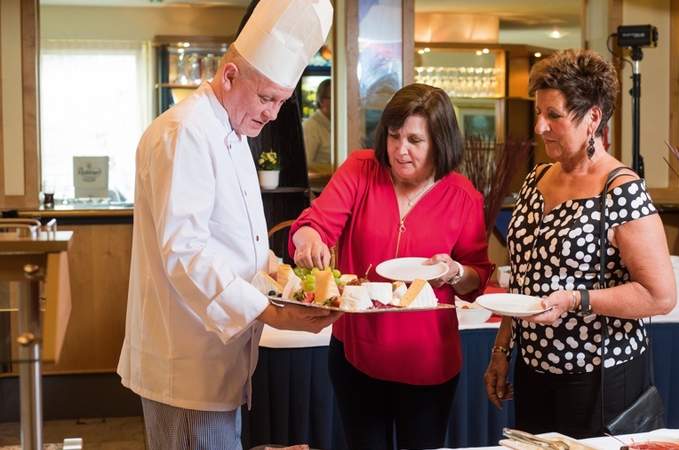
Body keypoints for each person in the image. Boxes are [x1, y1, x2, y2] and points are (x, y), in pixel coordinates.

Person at [117, 1, 340, 449]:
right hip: (186, 369)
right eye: (266, 98)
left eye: (282, 101)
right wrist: (272, 311)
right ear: (230, 75)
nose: (273, 113)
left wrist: (280, 271)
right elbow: (185, 252)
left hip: (219, 364)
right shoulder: (185, 131)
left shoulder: (234, 132)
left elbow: (236, 240)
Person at [483, 49, 676, 438]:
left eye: (553, 115)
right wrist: (502, 350)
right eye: (540, 113)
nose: (540, 126)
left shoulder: (621, 189)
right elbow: (523, 280)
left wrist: (576, 299)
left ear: (592, 118)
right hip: (533, 370)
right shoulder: (536, 178)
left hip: (599, 379)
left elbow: (660, 295)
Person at [289, 83, 494, 450]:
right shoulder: (360, 169)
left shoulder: (464, 197)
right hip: (356, 355)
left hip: (428, 363)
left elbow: (475, 277)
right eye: (394, 136)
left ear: (440, 142)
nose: (400, 150)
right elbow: (317, 223)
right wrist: (307, 236)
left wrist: (455, 272)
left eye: (415, 140)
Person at [303, 78, 332, 170]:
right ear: (322, 101)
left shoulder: (338, 124)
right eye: (335, 97)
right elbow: (306, 163)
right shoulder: (311, 126)